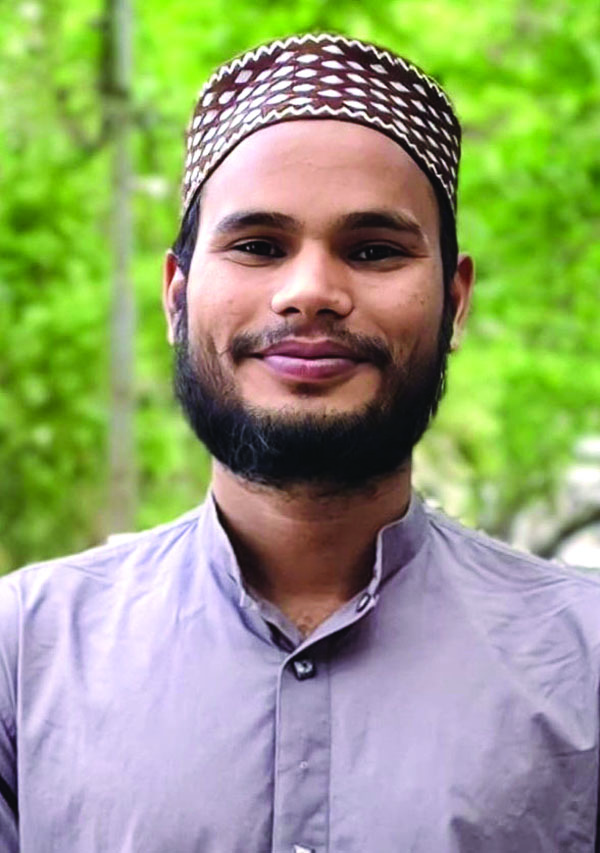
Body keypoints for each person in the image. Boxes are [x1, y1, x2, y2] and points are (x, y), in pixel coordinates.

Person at [1, 32, 599, 853]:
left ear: (454, 302)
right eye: (258, 246)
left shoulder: (585, 659)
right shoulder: (25, 655)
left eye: (373, 250)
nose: (311, 292)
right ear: (176, 297)